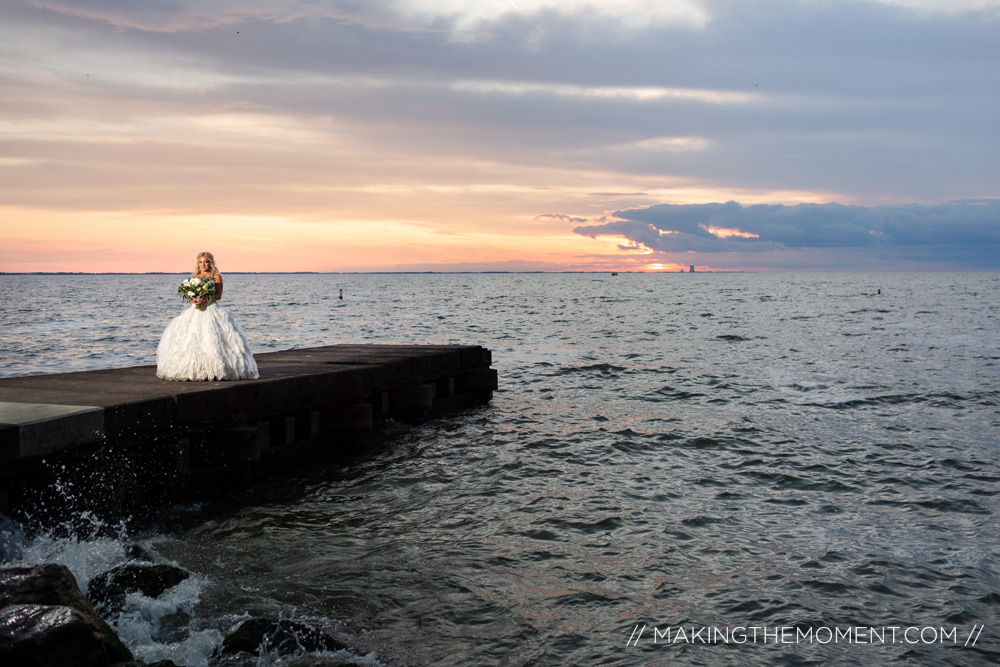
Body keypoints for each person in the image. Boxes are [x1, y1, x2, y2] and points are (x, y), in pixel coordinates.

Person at [156, 252, 260, 381]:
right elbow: (190, 294)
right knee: (191, 339)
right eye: (200, 262)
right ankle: (196, 369)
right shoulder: (195, 277)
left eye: (205, 262)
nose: (203, 264)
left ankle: (216, 370)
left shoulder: (216, 276)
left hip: (211, 309)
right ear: (197, 264)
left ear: (210, 262)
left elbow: (218, 296)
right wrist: (193, 299)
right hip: (195, 311)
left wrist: (205, 299)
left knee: (213, 339)